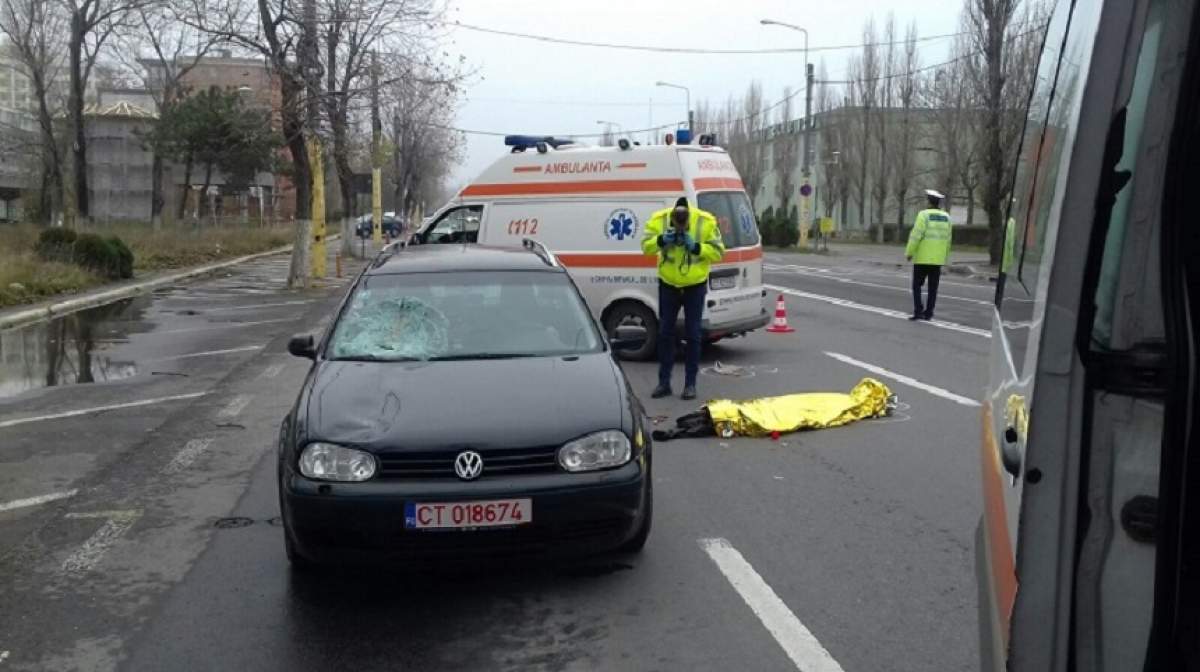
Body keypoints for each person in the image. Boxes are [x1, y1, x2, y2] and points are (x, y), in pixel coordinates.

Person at [642, 197, 725, 400]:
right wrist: (662, 240)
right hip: (668, 283)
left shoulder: (705, 221)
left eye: (683, 221)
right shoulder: (659, 220)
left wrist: (696, 247)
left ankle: (690, 385)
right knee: (665, 333)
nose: (680, 224)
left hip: (694, 284)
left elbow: (718, 251)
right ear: (671, 218)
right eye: (677, 221)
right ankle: (664, 383)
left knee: (693, 334)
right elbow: (646, 247)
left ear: (689, 218)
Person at [905, 189, 953, 321]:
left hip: (922, 258)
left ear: (929, 201)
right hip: (937, 259)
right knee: (933, 288)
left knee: (916, 285)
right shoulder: (947, 217)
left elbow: (916, 235)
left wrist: (909, 252)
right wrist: (945, 257)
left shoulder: (923, 215)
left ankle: (918, 311)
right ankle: (929, 313)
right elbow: (948, 240)